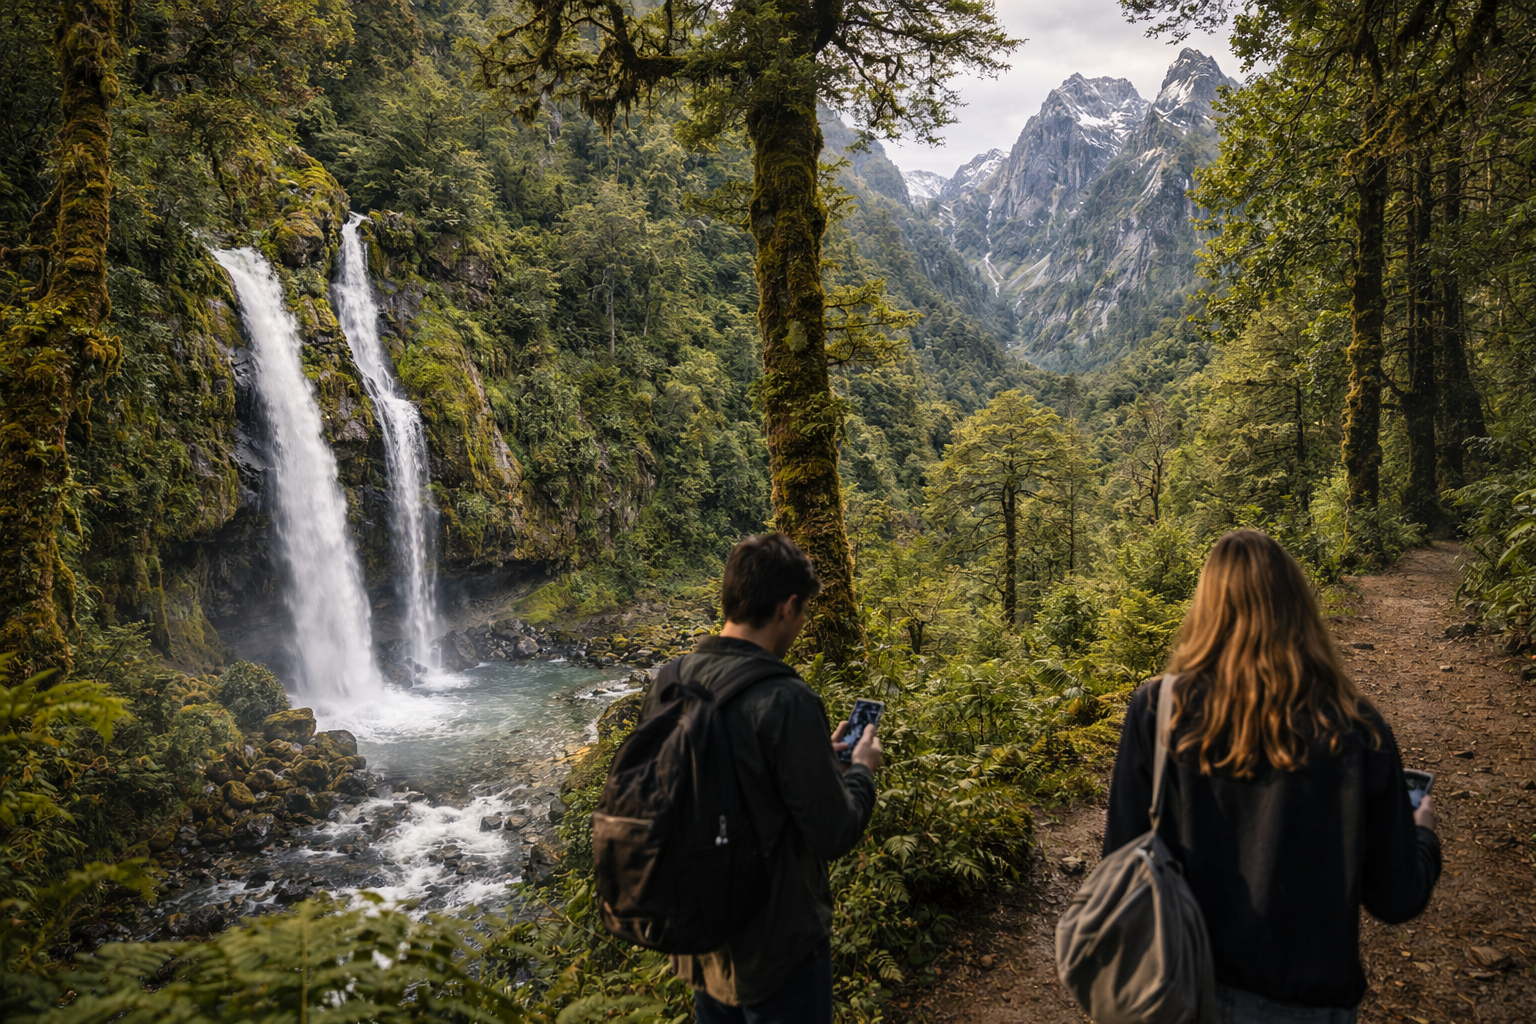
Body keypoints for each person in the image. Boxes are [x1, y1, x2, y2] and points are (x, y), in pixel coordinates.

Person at [1103, 530, 1441, 1023]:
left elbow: (1120, 859)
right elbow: (1395, 898)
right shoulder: (1358, 729)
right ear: (1299, 609)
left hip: (1179, 991)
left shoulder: (1160, 708)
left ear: (1205, 609)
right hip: (1308, 1004)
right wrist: (1423, 835)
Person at [641, 533, 883, 1024]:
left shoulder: (670, 680)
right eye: (804, 611)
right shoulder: (786, 698)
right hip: (778, 949)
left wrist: (815, 758)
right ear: (787, 608)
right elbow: (833, 831)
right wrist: (860, 770)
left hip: (703, 940)